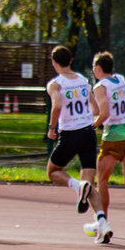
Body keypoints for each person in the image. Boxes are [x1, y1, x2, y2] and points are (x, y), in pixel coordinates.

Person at [88, 52, 125, 244]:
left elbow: (103, 113)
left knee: (101, 180)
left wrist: (92, 126)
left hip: (113, 136)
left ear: (98, 68)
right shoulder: (120, 79)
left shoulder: (100, 86)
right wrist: (123, 117)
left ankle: (103, 223)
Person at [42, 46, 101, 229]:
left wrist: (52, 128)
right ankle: (103, 223)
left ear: (54, 62)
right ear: (71, 61)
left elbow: (57, 104)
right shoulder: (83, 81)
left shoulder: (56, 84)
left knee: (52, 171)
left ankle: (76, 185)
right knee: (90, 183)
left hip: (70, 133)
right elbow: (96, 109)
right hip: (88, 132)